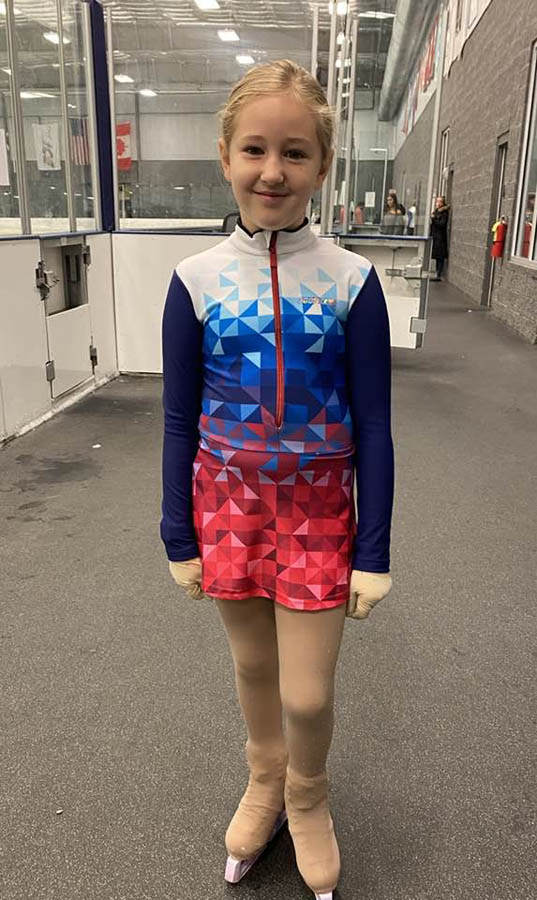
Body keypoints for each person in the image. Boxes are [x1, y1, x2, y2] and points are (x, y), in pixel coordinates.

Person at [160, 59, 394, 900]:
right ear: (224, 155)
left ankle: (308, 792)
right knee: (254, 670)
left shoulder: (351, 282)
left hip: (318, 511)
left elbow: (372, 424)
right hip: (224, 505)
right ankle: (264, 779)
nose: (272, 170)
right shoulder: (193, 282)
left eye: (294, 153)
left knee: (306, 690)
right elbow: (179, 420)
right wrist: (175, 531)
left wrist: (374, 546)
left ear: (322, 168)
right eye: (254, 149)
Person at [430, 195, 450, 280]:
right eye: (437, 201)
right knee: (437, 255)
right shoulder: (436, 211)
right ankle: (436, 272)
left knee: (440, 256)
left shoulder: (444, 213)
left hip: (440, 237)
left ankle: (439, 273)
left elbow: (442, 224)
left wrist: (434, 219)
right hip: (435, 235)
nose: (438, 203)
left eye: (440, 202)